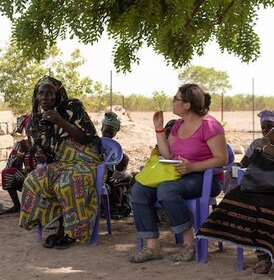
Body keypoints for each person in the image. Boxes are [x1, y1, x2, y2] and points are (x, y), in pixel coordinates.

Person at [129, 83, 228, 263]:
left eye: (176, 99)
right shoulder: (178, 125)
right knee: (139, 190)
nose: (173, 102)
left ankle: (189, 243)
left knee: (166, 190)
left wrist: (193, 167)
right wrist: (159, 128)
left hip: (205, 178)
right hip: (179, 176)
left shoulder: (210, 125)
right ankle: (152, 246)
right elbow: (168, 154)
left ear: (187, 105)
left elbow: (222, 159)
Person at [19, 76, 102, 249]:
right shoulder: (37, 119)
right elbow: (44, 152)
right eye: (41, 93)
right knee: (33, 180)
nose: (44, 97)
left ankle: (69, 232)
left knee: (68, 182)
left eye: (49, 93)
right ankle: (51, 224)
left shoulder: (73, 107)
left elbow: (86, 138)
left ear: (58, 94)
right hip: (61, 163)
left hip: (85, 160)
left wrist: (59, 121)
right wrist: (40, 151)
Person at [197, 127, 274, 274]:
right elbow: (263, 142)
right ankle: (263, 255)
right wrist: (269, 149)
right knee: (238, 200)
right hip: (265, 186)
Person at [0, 114, 37, 214]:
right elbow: (13, 167)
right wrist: (21, 152)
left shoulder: (44, 141)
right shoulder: (21, 144)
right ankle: (16, 205)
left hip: (42, 175)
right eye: (28, 127)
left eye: (34, 126)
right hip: (28, 175)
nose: (31, 129)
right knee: (7, 173)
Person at [100, 111, 133, 219]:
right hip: (98, 173)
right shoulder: (95, 143)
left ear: (115, 133)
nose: (108, 134)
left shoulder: (116, 149)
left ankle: (114, 206)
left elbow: (119, 167)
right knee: (111, 185)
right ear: (101, 128)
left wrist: (120, 174)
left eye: (111, 132)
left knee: (119, 182)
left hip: (110, 175)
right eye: (106, 130)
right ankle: (110, 208)